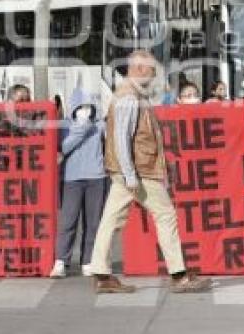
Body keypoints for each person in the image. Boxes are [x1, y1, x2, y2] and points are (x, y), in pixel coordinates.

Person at [88, 49, 211, 294]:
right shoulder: (129, 97)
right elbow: (122, 138)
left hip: (130, 169)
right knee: (166, 216)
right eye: (152, 68)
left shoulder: (129, 93)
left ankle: (101, 274)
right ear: (140, 69)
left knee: (111, 219)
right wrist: (131, 174)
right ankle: (179, 275)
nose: (154, 73)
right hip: (139, 170)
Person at [50, 88, 108, 279]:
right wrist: (82, 127)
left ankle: (88, 261)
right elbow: (64, 147)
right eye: (80, 107)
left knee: (93, 223)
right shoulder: (65, 125)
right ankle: (61, 261)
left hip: (97, 178)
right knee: (68, 221)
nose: (85, 110)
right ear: (73, 108)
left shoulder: (99, 125)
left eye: (88, 107)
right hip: (72, 179)